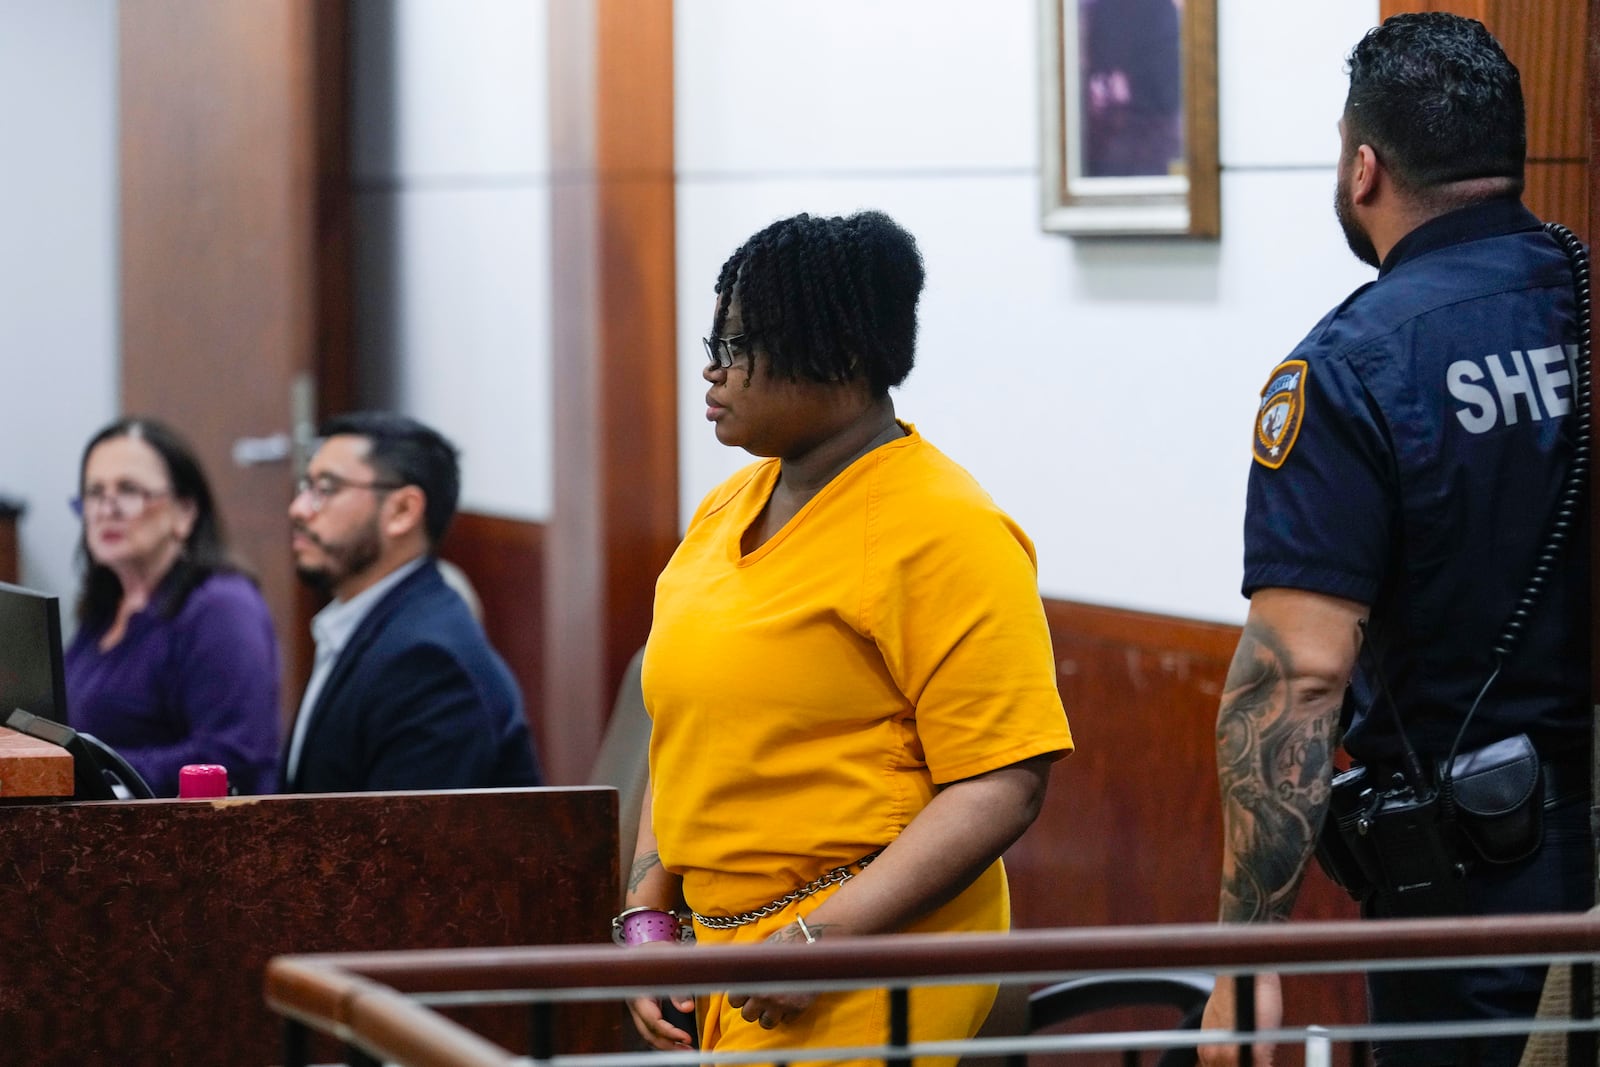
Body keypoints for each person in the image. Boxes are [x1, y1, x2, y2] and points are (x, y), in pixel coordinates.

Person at [1199, 14, 1590, 1067]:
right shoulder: (1584, 304)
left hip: (1472, 899)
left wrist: (1245, 958)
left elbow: (1298, 680)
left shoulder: (1348, 367)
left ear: (1364, 167)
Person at [621, 210, 1074, 1064]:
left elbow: (1003, 781)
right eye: (710, 343)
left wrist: (823, 938)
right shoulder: (725, 508)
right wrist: (649, 913)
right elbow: (683, 732)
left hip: (872, 967)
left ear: (840, 356)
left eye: (738, 345)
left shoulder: (946, 528)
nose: (712, 371)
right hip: (730, 957)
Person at [280, 411, 542, 793]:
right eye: (306, 486)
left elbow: (407, 847)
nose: (299, 509)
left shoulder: (428, 661)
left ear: (402, 511)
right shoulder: (370, 620)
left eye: (327, 488)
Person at [65, 417, 280, 796]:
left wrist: (95, 773)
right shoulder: (105, 605)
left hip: (190, 837)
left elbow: (235, 754)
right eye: (95, 493)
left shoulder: (221, 607)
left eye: (128, 490)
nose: (106, 509)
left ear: (185, 512)